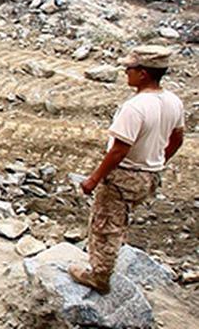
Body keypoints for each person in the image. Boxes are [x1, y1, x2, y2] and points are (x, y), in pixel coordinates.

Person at [69, 45, 184, 294]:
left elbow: (119, 150)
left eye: (129, 68)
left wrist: (94, 178)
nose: (125, 72)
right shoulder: (173, 101)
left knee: (104, 225)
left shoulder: (135, 107)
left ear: (143, 73)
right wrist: (158, 160)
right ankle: (113, 254)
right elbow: (177, 138)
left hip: (125, 175)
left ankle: (99, 275)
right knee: (120, 218)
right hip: (149, 175)